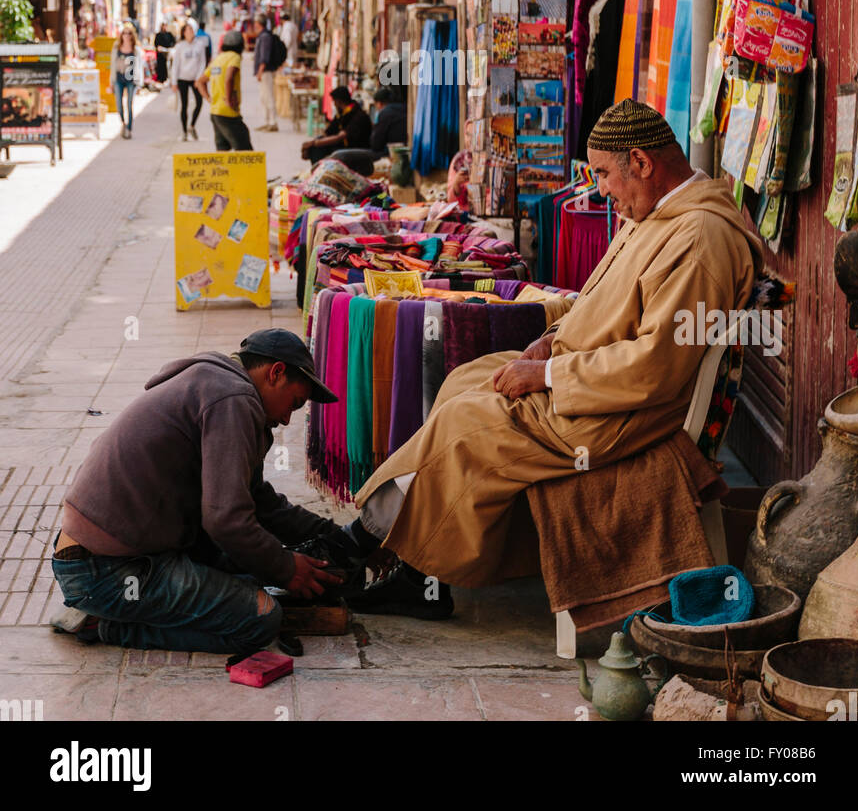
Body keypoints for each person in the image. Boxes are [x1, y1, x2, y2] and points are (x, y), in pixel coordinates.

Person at [299, 99, 765, 619]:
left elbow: (654, 366)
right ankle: (415, 567)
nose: (603, 191)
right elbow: (598, 301)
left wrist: (546, 374)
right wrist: (552, 338)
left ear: (641, 162)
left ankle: (364, 545)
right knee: (464, 381)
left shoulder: (699, 237)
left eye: (607, 175)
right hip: (587, 379)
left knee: (465, 423)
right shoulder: (656, 213)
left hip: (624, 414)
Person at [50, 331, 345, 652]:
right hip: (105, 573)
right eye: (294, 403)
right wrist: (287, 570)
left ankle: (119, 606)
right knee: (260, 618)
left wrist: (334, 535)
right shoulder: (233, 400)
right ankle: (105, 624)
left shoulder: (216, 382)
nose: (287, 418)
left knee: (248, 567)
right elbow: (226, 520)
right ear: (275, 373)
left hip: (99, 555)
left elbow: (259, 501)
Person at [195, 30, 253, 152]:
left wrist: (210, 99)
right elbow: (229, 77)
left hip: (215, 112)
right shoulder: (235, 57)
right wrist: (228, 99)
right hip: (228, 113)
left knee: (222, 151)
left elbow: (200, 82)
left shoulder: (218, 59)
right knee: (245, 151)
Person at [332, 88, 408, 176]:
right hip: (397, 153)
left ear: (379, 104)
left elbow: (376, 145)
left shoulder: (385, 112)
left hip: (387, 154)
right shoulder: (404, 108)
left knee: (339, 156)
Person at [300, 86, 371, 166]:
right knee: (315, 146)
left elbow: (339, 137)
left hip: (356, 148)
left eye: (334, 101)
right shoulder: (341, 114)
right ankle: (318, 173)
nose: (334, 104)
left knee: (317, 147)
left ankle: (320, 173)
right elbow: (328, 132)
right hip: (342, 146)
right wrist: (309, 146)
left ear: (339, 101)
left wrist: (314, 143)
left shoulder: (358, 115)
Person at [171, 21, 207, 141]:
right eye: (187, 30)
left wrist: (199, 78)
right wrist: (174, 81)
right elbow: (175, 64)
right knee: (184, 105)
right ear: (183, 33)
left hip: (195, 78)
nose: (189, 32)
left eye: (191, 30)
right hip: (183, 78)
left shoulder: (200, 44)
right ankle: (184, 131)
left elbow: (202, 62)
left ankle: (192, 125)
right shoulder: (180, 46)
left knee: (199, 102)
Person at [109, 23, 143, 140]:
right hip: (119, 78)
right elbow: (112, 65)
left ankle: (129, 128)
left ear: (132, 35)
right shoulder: (116, 48)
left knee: (129, 104)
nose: (127, 35)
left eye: (129, 33)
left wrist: (139, 84)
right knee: (119, 104)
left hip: (131, 79)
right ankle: (123, 122)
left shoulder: (135, 49)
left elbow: (139, 66)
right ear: (121, 35)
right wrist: (111, 82)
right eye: (124, 33)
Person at [251, 13, 280, 132]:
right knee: (264, 97)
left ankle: (273, 122)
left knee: (268, 96)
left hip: (266, 71)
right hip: (264, 71)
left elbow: (264, 56)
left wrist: (260, 70)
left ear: (258, 24)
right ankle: (267, 121)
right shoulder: (262, 36)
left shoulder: (265, 37)